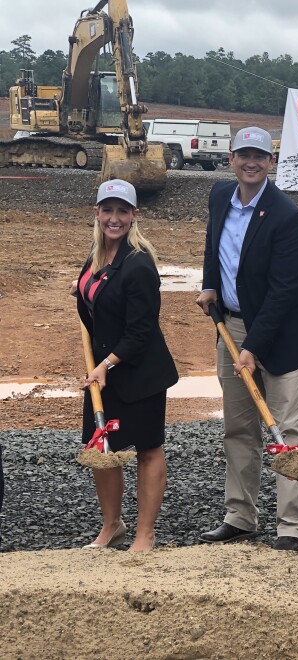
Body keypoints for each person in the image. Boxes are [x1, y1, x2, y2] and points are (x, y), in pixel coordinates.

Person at [197, 126, 298, 552]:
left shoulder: (287, 215)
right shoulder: (220, 197)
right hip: (233, 325)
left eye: (259, 156)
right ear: (232, 158)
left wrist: (253, 347)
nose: (251, 162)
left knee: (289, 427)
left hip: (285, 332)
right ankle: (240, 516)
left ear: (271, 162)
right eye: (243, 155)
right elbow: (213, 247)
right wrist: (209, 285)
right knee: (239, 426)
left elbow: (284, 290)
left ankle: (291, 526)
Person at [75, 179, 178, 552]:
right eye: (108, 210)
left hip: (139, 374)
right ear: (97, 213)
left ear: (135, 215)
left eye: (122, 211)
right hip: (104, 373)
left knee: (147, 449)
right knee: (103, 450)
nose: (114, 218)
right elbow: (102, 296)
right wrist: (85, 290)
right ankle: (112, 526)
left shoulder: (139, 265)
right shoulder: (96, 257)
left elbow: (140, 331)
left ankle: (144, 534)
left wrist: (106, 365)